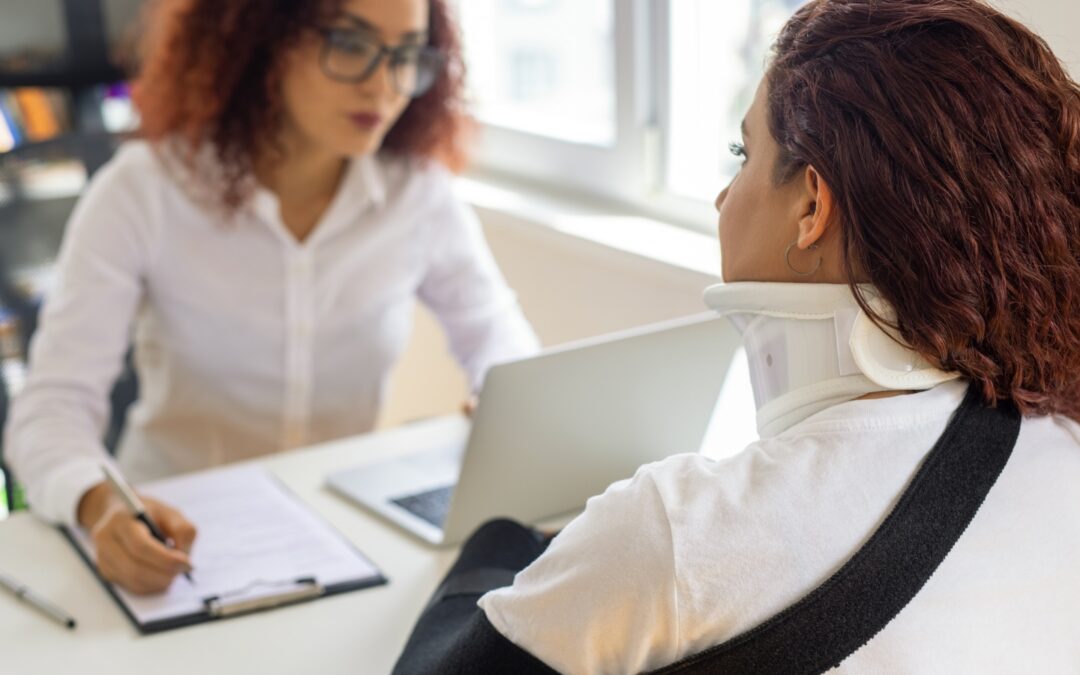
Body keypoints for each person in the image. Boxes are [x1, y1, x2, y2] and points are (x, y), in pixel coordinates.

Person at [392, 0, 1080, 671]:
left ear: (811, 206)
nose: (725, 196)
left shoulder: (674, 534)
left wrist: (499, 538)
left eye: (741, 153)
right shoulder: (1062, 444)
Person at [4, 0, 538, 596]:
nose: (385, 85)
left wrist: (501, 400)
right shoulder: (144, 191)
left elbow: (502, 345)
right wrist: (100, 502)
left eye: (406, 55)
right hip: (181, 538)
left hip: (347, 538)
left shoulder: (417, 194)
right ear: (263, 38)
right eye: (351, 44)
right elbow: (50, 408)